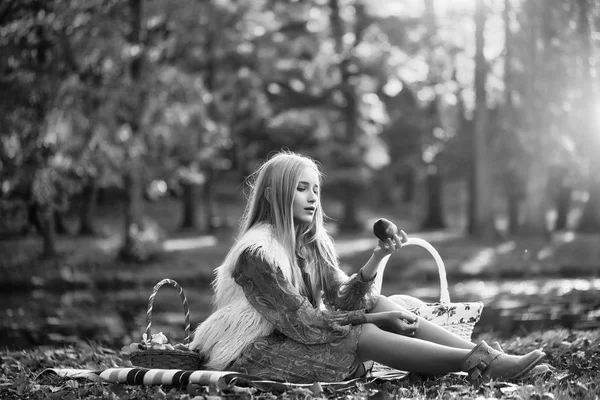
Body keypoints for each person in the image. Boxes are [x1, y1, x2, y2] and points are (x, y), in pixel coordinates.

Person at [190, 150, 549, 385]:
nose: (313, 197)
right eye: (301, 189)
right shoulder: (257, 254)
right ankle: (479, 363)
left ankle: (489, 358)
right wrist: (372, 322)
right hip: (251, 355)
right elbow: (304, 324)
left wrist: (376, 258)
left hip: (290, 338)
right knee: (362, 332)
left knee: (375, 304)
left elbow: (346, 300)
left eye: (315, 189)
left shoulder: (309, 242)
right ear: (273, 195)